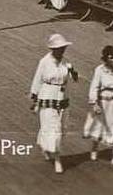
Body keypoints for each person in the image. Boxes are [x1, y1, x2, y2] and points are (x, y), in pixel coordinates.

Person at [29, 33, 79, 174]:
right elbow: (37, 79)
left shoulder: (65, 63)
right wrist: (35, 98)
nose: (62, 51)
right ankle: (57, 159)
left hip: (62, 98)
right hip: (47, 96)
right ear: (53, 49)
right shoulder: (44, 62)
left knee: (60, 128)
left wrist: (73, 73)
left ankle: (45, 147)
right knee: (54, 129)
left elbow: (74, 78)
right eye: (59, 48)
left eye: (63, 48)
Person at [82, 45, 113, 170]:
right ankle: (94, 148)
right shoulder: (99, 70)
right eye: (111, 58)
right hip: (102, 103)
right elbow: (94, 87)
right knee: (98, 126)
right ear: (106, 59)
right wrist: (94, 103)